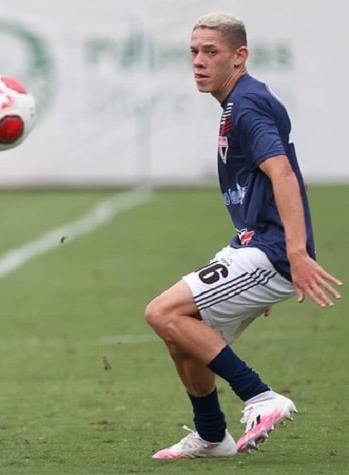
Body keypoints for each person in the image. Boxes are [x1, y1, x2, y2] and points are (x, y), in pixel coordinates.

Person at [145, 12, 342, 459]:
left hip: (269, 251)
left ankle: (261, 396)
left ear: (240, 56)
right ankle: (213, 436)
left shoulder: (247, 104)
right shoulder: (238, 101)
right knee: (183, 335)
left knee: (162, 313)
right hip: (258, 247)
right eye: (194, 51)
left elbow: (285, 174)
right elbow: (292, 178)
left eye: (210, 52)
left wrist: (291, 255)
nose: (198, 61)